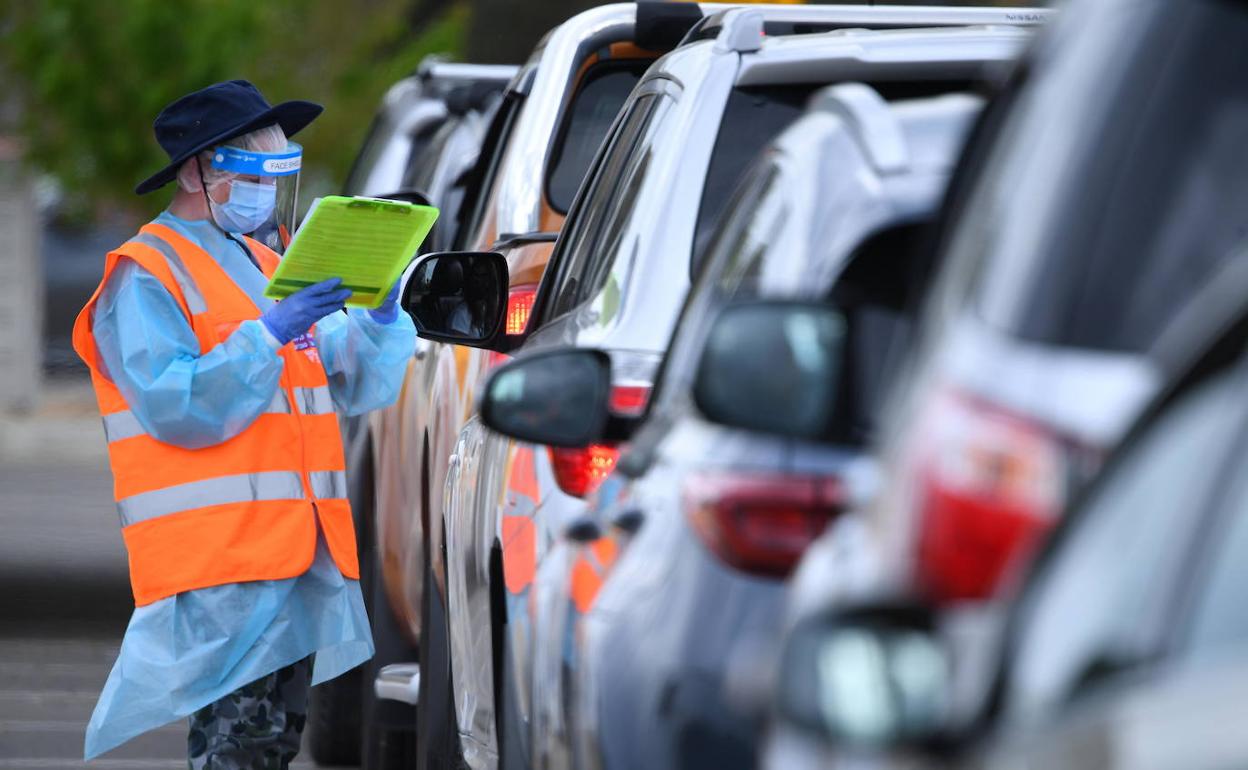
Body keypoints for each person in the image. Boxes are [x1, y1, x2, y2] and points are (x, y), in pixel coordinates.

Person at [70, 80, 416, 768]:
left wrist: (379, 317)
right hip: (222, 573)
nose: (270, 196)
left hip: (292, 562)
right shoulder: (147, 275)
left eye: (281, 177)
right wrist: (269, 334)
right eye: (258, 176)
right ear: (199, 171)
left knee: (267, 749)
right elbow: (177, 404)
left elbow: (344, 374)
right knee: (238, 752)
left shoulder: (265, 263)